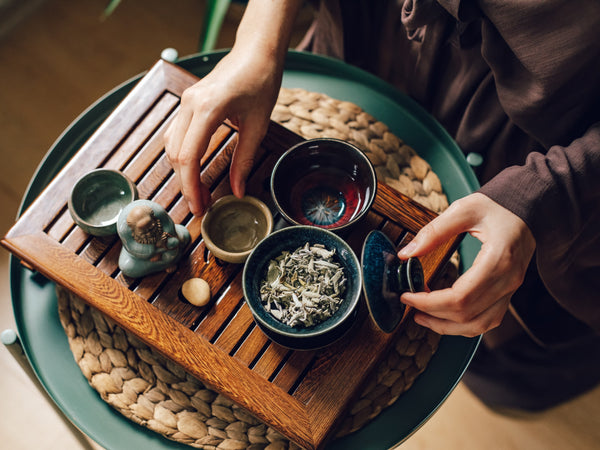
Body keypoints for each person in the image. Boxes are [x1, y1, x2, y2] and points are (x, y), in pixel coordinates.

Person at [164, 0, 600, 410]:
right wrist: (258, 40)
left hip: (545, 143)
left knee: (508, 365)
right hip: (369, 42)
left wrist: (547, 191)